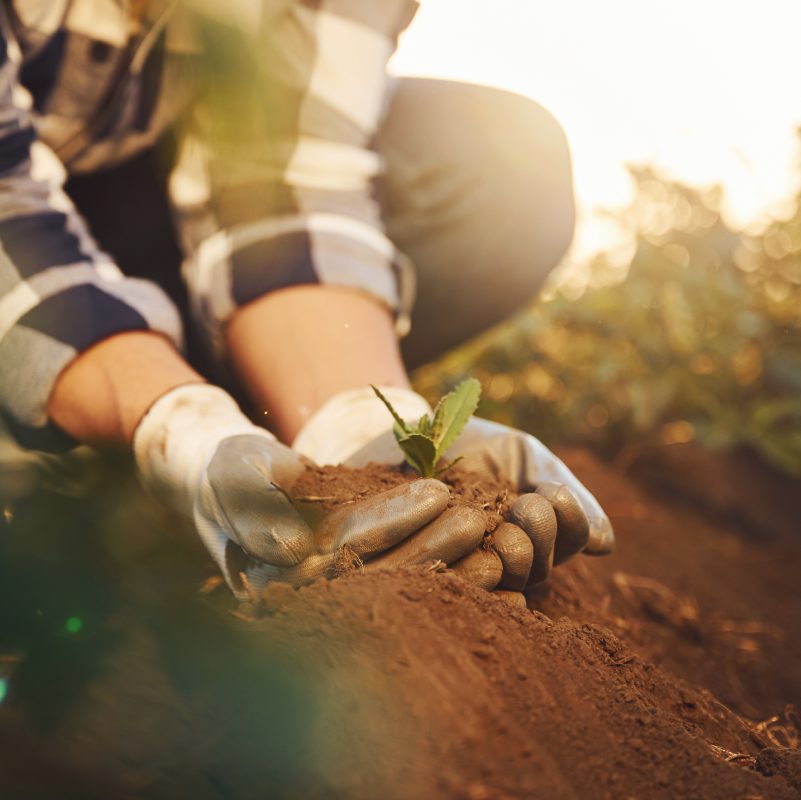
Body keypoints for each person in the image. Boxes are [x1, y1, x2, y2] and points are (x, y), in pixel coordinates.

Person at [0, 0, 614, 600]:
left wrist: (359, 425)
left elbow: (285, 189)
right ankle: (92, 435)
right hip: (33, 229)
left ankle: (247, 450)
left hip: (138, 206)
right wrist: (176, 429)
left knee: (509, 164)